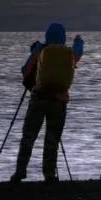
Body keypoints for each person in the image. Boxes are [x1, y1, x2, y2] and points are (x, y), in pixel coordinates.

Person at [9, 23, 84, 184]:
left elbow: (25, 70)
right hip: (59, 100)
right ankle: (49, 174)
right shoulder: (68, 53)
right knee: (52, 139)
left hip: (38, 98)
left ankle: (20, 172)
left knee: (29, 136)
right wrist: (78, 41)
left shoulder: (40, 50)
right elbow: (78, 53)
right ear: (63, 37)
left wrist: (34, 83)